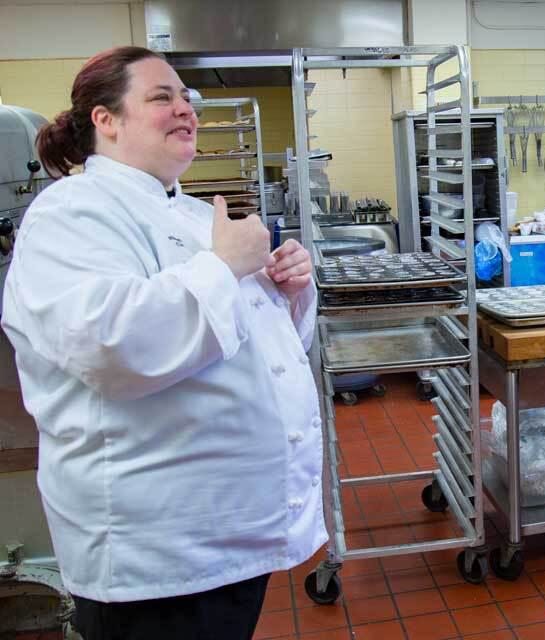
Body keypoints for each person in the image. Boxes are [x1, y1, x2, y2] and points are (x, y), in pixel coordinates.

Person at [1, 46, 327, 638]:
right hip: (156, 548)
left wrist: (287, 290)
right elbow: (112, 345)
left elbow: (260, 343)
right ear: (107, 119)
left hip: (223, 534)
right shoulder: (70, 213)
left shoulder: (194, 213)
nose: (185, 109)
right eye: (161, 97)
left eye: (186, 97)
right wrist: (224, 268)